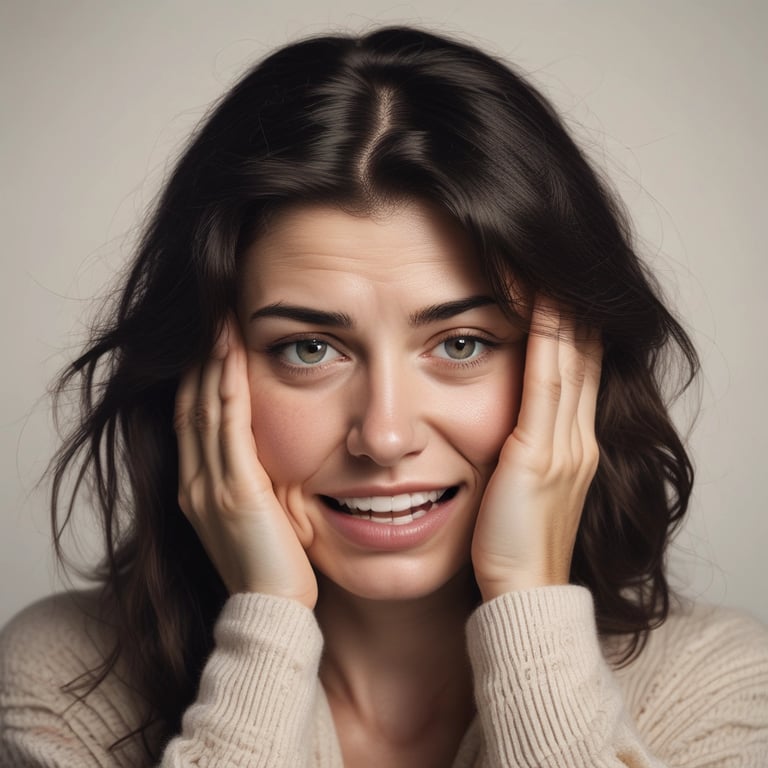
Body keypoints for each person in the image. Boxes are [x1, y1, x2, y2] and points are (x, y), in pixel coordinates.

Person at [1, 25, 766, 768]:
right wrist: (266, 627)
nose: (386, 436)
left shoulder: (714, 690)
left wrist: (531, 610)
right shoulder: (67, 687)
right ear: (197, 378)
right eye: (310, 350)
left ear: (573, 369)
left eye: (461, 344)